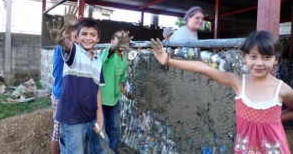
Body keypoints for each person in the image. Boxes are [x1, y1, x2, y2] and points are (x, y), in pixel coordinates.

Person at [150, 30, 293, 153]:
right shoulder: (237, 82)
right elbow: (203, 68)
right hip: (244, 149)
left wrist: (274, 119)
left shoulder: (283, 90)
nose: (259, 63)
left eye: (266, 57)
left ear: (276, 60)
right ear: (244, 57)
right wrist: (169, 61)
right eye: (253, 56)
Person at [47, 11, 105, 153]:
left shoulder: (98, 62)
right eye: (84, 34)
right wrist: (65, 31)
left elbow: (97, 91)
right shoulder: (74, 53)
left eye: (92, 35)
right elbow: (65, 43)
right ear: (77, 38)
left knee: (99, 148)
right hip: (72, 118)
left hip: (91, 116)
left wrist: (100, 115)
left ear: (98, 39)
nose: (88, 38)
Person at [90, 30, 134, 153]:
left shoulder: (124, 59)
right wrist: (113, 47)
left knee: (114, 130)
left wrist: (126, 93)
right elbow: (108, 53)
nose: (122, 42)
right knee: (99, 131)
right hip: (101, 101)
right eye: (119, 39)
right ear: (111, 42)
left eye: (125, 40)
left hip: (114, 101)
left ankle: (112, 151)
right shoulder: (108, 53)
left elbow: (120, 81)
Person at [50, 21, 78, 154]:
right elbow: (63, 40)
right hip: (61, 96)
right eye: (75, 38)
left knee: (66, 131)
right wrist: (68, 26)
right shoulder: (62, 48)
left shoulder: (77, 53)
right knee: (58, 131)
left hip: (68, 97)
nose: (77, 41)